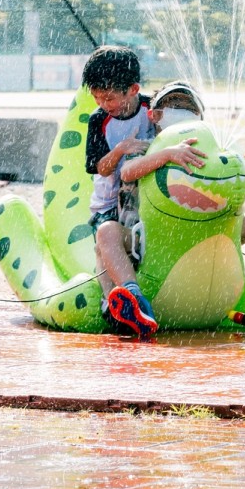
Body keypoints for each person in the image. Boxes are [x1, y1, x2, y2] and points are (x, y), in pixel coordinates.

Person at [120, 80, 245, 327]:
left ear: (200, 116)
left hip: (205, 232)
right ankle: (134, 299)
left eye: (187, 107)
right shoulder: (149, 146)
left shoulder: (215, 146)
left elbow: (238, 171)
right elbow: (127, 173)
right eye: (172, 106)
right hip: (155, 238)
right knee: (108, 231)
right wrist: (167, 154)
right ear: (154, 116)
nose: (180, 111)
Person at [82, 44, 163, 339]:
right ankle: (115, 304)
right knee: (104, 245)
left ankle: (131, 299)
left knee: (138, 247)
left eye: (110, 97)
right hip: (108, 203)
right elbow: (100, 168)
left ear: (133, 89)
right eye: (97, 98)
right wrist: (120, 150)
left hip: (145, 198)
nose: (105, 104)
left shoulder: (152, 110)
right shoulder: (98, 121)